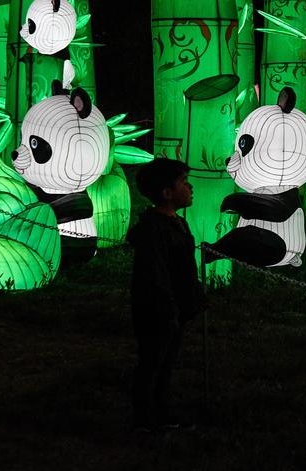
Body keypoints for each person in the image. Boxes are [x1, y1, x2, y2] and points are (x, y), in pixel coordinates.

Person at [126, 157, 202, 433]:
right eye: (184, 182)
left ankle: (160, 410)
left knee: (167, 362)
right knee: (153, 362)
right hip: (158, 309)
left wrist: (194, 295)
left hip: (176, 307)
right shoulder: (155, 229)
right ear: (167, 192)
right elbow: (154, 272)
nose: (190, 187)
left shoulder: (177, 223)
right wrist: (167, 307)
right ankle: (146, 416)